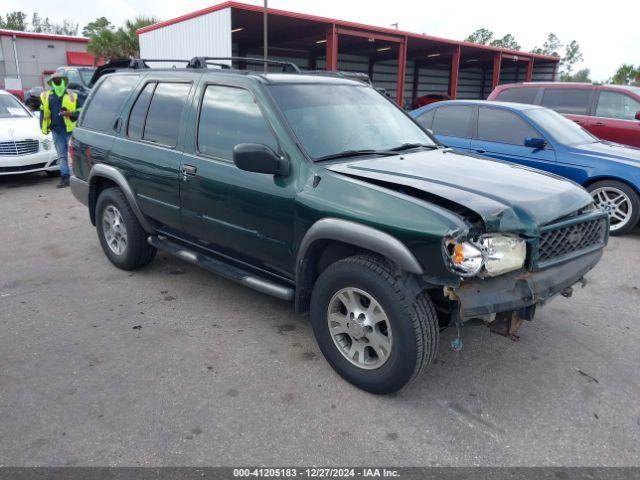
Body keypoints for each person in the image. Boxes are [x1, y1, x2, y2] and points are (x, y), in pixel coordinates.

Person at [40, 73, 81, 188]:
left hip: (70, 130)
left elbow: (81, 111)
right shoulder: (46, 96)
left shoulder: (72, 95)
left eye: (59, 79)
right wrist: (43, 127)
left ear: (63, 81)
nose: (57, 81)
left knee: (75, 155)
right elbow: (43, 112)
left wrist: (70, 113)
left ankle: (78, 177)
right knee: (61, 155)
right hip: (56, 130)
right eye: (55, 80)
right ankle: (65, 178)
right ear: (52, 82)